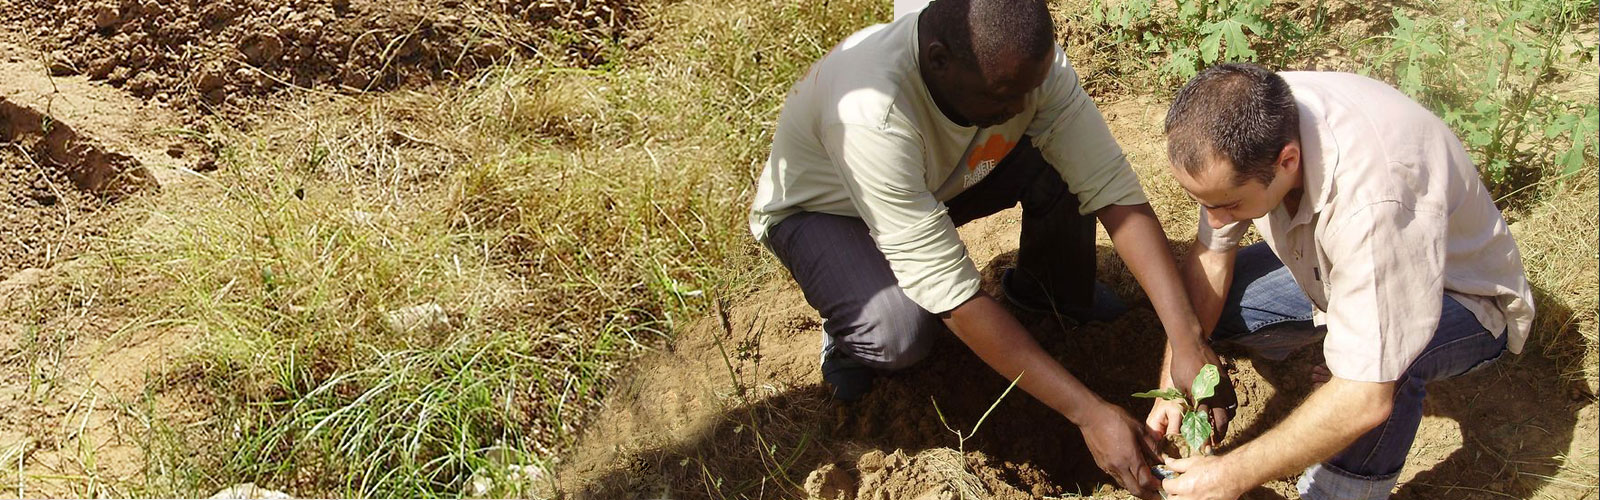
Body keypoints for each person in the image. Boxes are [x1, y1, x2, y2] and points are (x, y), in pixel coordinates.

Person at [748, 0, 1227, 496]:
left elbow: (1109, 185)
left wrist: (1187, 340)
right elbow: (950, 292)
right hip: (829, 212)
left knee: (1055, 156)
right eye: (1004, 94)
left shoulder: (1022, 70)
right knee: (899, 333)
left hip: (934, 182)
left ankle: (1047, 292)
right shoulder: (873, 116)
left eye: (1028, 89)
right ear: (938, 60)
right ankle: (849, 338)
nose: (1021, 107)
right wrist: (1089, 415)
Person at [1149, 62, 1536, 499]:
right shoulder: (1252, 120)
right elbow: (1213, 255)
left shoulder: (1374, 201)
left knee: (1390, 368)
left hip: (1464, 299)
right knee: (1215, 311)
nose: (1216, 219)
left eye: (1230, 204)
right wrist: (1177, 373)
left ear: (1287, 161)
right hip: (1346, 263)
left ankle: (1334, 492)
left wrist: (1233, 473)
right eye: (1204, 202)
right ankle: (1350, 338)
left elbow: (1367, 396)